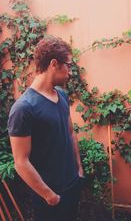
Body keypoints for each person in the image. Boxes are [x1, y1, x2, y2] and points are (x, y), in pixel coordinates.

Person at [7, 36, 84, 221]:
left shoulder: (62, 96)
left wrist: (79, 169)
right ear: (54, 64)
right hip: (50, 197)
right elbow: (21, 162)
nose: (70, 71)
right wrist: (50, 196)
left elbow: (70, 132)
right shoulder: (24, 108)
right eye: (68, 65)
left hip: (72, 184)